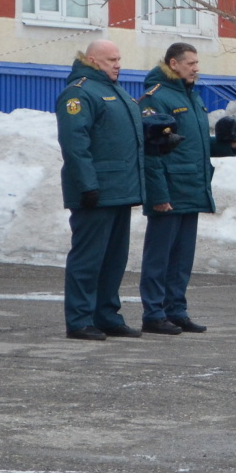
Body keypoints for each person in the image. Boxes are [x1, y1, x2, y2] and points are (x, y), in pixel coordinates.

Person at [136, 43, 236, 334]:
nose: (196, 69)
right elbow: (150, 152)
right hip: (169, 190)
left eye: (197, 63)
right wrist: (158, 195)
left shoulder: (191, 97)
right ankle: (154, 313)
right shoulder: (155, 99)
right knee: (159, 258)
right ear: (173, 64)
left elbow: (194, 144)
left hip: (191, 188)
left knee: (181, 259)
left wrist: (229, 145)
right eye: (191, 63)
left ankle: (176, 311)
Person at [57, 41, 146, 340]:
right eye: (111, 60)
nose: (118, 64)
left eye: (119, 59)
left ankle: (106, 316)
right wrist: (87, 185)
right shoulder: (79, 93)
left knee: (113, 260)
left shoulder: (116, 91)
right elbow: (74, 142)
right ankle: (79, 320)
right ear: (93, 60)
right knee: (88, 259)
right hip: (95, 192)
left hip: (120, 190)